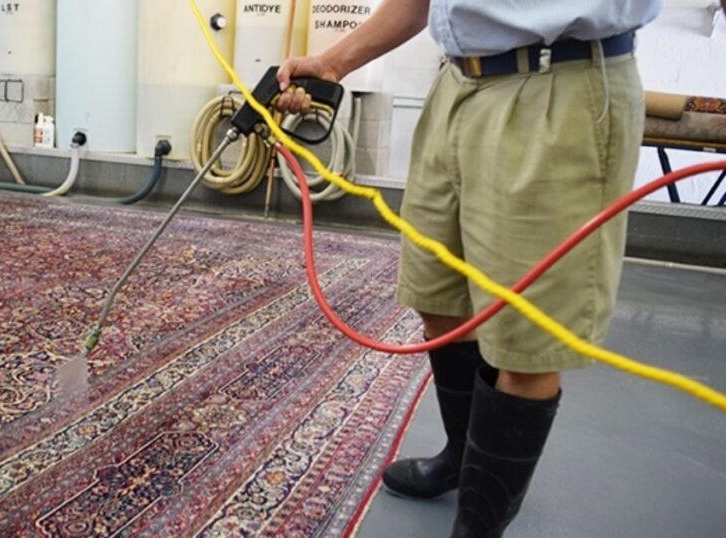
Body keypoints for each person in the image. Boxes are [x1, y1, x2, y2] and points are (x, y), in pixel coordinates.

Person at [276, 1, 661, 536]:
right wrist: (335, 62)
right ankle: (463, 460)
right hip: (459, 83)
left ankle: (478, 527)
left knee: (527, 342)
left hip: (560, 83)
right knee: (439, 298)